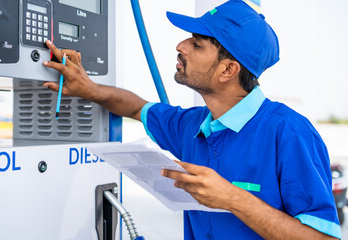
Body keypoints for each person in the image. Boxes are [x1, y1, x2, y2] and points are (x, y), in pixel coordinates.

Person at [43, 0, 341, 239]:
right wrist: (91, 89)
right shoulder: (193, 126)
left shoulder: (290, 134)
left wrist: (233, 198)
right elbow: (137, 107)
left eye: (197, 44)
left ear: (228, 70)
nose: (180, 46)